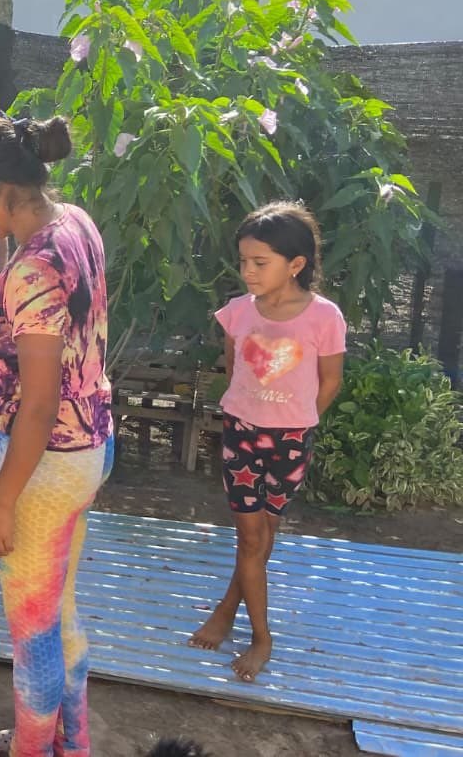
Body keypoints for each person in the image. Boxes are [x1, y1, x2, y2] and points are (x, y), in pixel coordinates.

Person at [0, 115, 112, 757]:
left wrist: (3, 500)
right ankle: (75, 744)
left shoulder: (33, 267)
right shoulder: (75, 224)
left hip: (49, 461)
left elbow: (38, 406)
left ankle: (32, 749)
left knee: (32, 632)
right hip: (91, 443)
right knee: (60, 612)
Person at [188, 202, 345, 682]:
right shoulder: (237, 312)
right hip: (241, 435)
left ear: (295, 264)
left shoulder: (324, 317)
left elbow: (330, 381)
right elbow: (233, 368)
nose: (248, 272)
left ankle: (227, 608)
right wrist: (258, 415)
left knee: (264, 536)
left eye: (260, 263)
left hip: (292, 441)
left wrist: (297, 421)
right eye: (243, 262)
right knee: (251, 537)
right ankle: (262, 637)